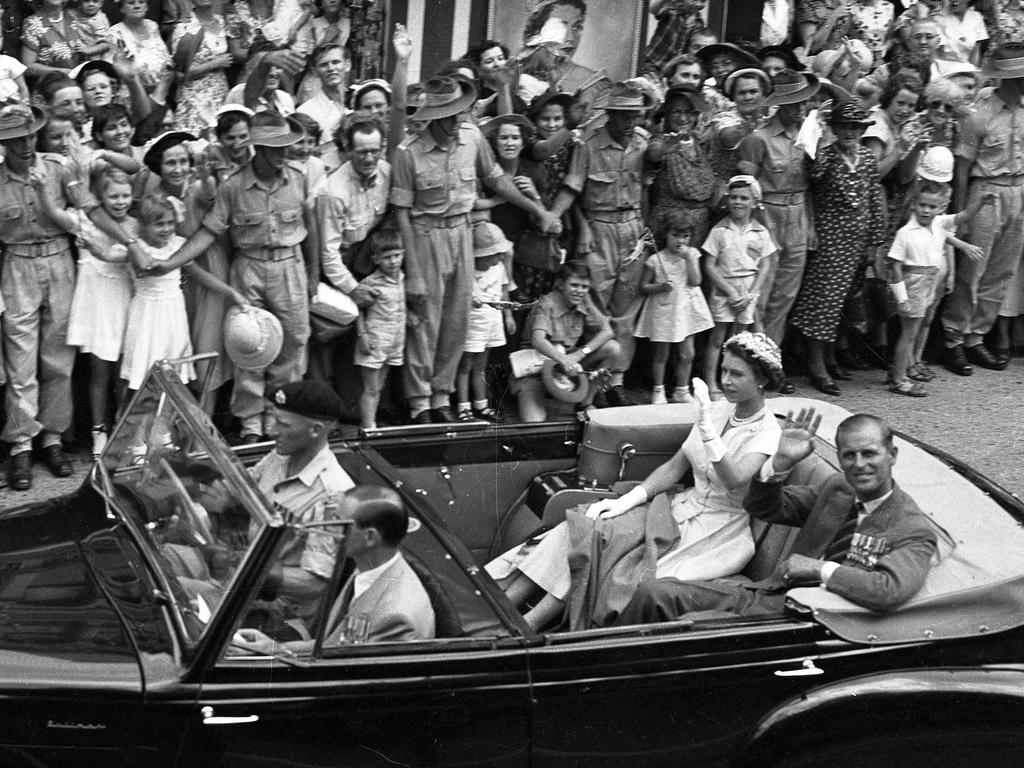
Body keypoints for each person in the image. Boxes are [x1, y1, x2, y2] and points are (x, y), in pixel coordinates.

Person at [494, 331, 784, 630]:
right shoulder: (720, 410)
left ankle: (524, 627)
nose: (726, 380)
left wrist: (709, 432)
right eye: (723, 370)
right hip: (678, 509)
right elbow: (674, 466)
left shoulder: (767, 432)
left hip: (716, 535)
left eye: (736, 374)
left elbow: (736, 480)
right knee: (585, 528)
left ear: (761, 380)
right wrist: (626, 501)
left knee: (614, 567)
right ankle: (499, 610)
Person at [615, 411, 939, 625]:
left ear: (892, 455)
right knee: (655, 592)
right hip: (768, 594)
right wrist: (780, 464)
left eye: (870, 454)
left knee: (688, 627)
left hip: (801, 620)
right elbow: (765, 508)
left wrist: (820, 569)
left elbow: (887, 590)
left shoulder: (910, 526)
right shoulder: (840, 489)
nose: (859, 464)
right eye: (849, 455)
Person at [390, 76, 560, 425]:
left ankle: (442, 395)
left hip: (463, 234)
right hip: (426, 237)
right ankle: (420, 402)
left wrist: (537, 209)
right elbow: (403, 215)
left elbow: (496, 179)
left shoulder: (471, 138)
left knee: (457, 319)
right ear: (434, 117)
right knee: (426, 321)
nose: (459, 121)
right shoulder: (409, 153)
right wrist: (416, 273)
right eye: (451, 116)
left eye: (461, 113)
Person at [155, 112, 318, 442]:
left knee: (292, 344)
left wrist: (314, 274)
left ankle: (280, 419)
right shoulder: (233, 186)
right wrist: (171, 262)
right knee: (248, 342)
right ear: (259, 148)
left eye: (287, 146)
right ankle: (250, 424)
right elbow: (209, 231)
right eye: (276, 148)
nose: (284, 153)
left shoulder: (298, 179)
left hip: (289, 267)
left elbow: (311, 227)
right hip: (249, 269)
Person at [549, 82, 654, 407]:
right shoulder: (589, 144)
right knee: (595, 306)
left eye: (635, 116)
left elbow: (646, 191)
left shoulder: (642, 142)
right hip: (599, 228)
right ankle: (589, 382)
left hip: (632, 228)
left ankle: (617, 382)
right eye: (623, 116)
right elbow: (573, 188)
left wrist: (645, 232)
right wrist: (553, 216)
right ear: (609, 114)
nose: (629, 123)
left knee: (625, 308)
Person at [237, 485, 435, 652]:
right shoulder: (368, 568)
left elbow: (347, 672)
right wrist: (275, 648)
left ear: (370, 538)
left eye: (340, 524)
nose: (330, 530)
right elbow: (338, 644)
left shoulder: (395, 617)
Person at [790, 103, 886, 396]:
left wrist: (873, 241)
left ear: (862, 130)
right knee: (824, 305)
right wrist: (816, 133)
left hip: (857, 242)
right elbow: (814, 172)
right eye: (843, 126)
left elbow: (873, 199)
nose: (849, 132)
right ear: (834, 128)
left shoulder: (868, 158)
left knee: (845, 303)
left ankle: (831, 358)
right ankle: (817, 365)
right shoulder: (827, 157)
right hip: (832, 242)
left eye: (855, 127)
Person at [941, 44, 1024, 376]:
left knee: (1001, 272)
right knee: (971, 272)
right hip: (986, 192)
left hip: (1018, 189)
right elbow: (962, 168)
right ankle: (953, 340)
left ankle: (976, 337)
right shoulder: (979, 113)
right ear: (1009, 79)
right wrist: (961, 216)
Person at [246, 381, 356, 626]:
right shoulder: (280, 455)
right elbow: (247, 486)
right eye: (274, 420)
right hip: (245, 581)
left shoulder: (332, 495)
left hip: (279, 612)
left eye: (283, 425)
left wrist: (249, 575)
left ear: (315, 430)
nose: (272, 431)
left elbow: (315, 582)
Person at [737, 69, 819, 393]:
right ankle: (758, 364)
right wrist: (759, 227)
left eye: (804, 102)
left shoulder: (809, 133)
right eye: (794, 103)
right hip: (767, 211)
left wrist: (810, 222)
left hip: (798, 213)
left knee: (785, 296)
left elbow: (810, 183)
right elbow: (746, 184)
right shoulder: (759, 138)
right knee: (763, 293)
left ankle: (773, 362)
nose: (801, 109)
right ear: (781, 104)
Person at [122, 194, 244, 394]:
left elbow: (200, 275)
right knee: (142, 368)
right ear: (144, 225)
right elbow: (111, 256)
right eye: (159, 224)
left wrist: (231, 292)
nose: (167, 229)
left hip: (173, 317)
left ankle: (170, 420)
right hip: (147, 316)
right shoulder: (138, 250)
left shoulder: (178, 245)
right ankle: (136, 420)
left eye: (170, 223)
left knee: (174, 369)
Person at [886, 180, 992, 396]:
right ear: (914, 204)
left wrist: (980, 202)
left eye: (932, 206)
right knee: (908, 334)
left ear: (941, 207)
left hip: (930, 283)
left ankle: (897, 371)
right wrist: (902, 298)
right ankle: (899, 379)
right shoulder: (906, 233)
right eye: (923, 205)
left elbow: (963, 217)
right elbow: (895, 267)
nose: (927, 210)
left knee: (913, 332)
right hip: (913, 284)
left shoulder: (938, 224)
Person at [65, 168, 135, 458]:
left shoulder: (133, 225)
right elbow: (59, 215)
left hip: (124, 299)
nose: (120, 202)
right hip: (96, 304)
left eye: (125, 195)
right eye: (113, 196)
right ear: (100, 197)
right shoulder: (86, 222)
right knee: (99, 372)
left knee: (123, 371)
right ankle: (98, 429)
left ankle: (122, 426)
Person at [511, 261, 619, 423]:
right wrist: (566, 360)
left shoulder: (584, 300)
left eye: (584, 286)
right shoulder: (547, 303)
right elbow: (538, 340)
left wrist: (580, 353)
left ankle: (585, 403)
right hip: (536, 370)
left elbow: (607, 331)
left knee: (613, 348)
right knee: (534, 423)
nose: (579, 291)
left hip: (565, 367)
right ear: (561, 284)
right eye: (574, 285)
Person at [701, 176, 777, 398]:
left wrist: (751, 293)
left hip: (748, 289)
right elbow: (710, 265)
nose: (738, 202)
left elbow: (766, 264)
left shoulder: (760, 232)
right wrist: (730, 291)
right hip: (724, 288)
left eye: (744, 198)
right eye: (733, 197)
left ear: (754, 202)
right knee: (717, 338)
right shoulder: (719, 231)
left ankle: (742, 382)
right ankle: (712, 383)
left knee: (742, 339)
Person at [634, 210, 713, 405]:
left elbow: (696, 281)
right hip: (665, 310)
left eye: (685, 236)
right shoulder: (655, 260)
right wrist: (660, 287)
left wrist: (689, 260)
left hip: (687, 309)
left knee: (688, 353)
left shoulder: (692, 255)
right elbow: (643, 287)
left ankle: (682, 389)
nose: (680, 240)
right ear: (666, 235)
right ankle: (658, 390)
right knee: (662, 353)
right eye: (675, 235)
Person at [456, 222, 515, 423]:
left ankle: (481, 404)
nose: (500, 256)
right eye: (495, 253)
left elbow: (504, 289)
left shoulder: (499, 268)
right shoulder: (468, 271)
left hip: (493, 322)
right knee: (466, 364)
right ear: (480, 254)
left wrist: (508, 316)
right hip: (473, 324)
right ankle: (463, 406)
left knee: (481, 364)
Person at [354, 230, 406, 432]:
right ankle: (368, 428)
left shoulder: (401, 278)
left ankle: (369, 424)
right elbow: (356, 308)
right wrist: (362, 335)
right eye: (386, 257)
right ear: (376, 259)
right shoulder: (370, 282)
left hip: (393, 342)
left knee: (379, 386)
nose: (393, 261)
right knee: (371, 388)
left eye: (396, 255)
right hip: (374, 341)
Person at [171, 0, 232, 137]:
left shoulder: (221, 21)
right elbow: (179, 75)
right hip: (195, 100)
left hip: (221, 95)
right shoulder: (184, 27)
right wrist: (215, 64)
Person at [297, 43, 349, 173]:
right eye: (324, 64)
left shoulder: (356, 104)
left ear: (347, 65)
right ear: (315, 71)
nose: (331, 68)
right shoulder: (305, 112)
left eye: (336, 62)